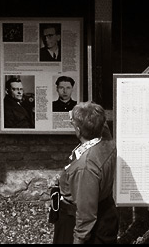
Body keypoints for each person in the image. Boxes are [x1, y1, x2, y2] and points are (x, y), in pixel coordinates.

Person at [53, 101, 118, 244]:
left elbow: (86, 212)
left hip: (77, 220)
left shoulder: (85, 167)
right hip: (105, 210)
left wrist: (79, 239)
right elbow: (99, 121)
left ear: (78, 129)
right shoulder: (106, 140)